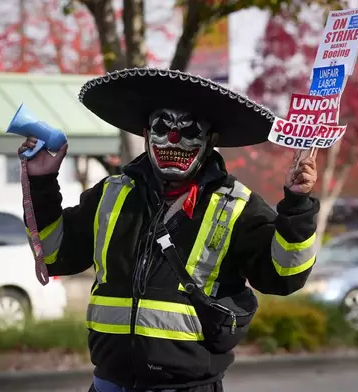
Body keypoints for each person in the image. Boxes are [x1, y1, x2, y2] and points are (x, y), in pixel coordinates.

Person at [17, 67, 320, 392]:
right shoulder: (111, 195)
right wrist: (42, 181)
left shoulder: (237, 206)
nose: (173, 138)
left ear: (211, 140)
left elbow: (285, 275)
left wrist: (297, 206)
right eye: (163, 127)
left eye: (189, 130)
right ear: (146, 134)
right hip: (108, 385)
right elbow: (54, 256)